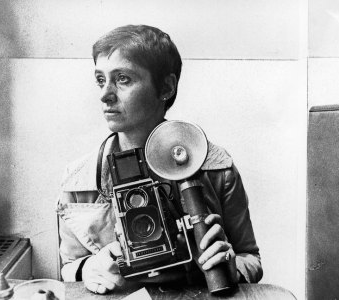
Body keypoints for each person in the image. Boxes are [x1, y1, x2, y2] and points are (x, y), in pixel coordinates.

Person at [56, 24, 263, 295]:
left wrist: (231, 266)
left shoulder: (215, 168)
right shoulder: (78, 180)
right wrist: (88, 268)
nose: (105, 94)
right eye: (100, 80)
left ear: (166, 86)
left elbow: (252, 259)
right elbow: (68, 267)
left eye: (123, 79)